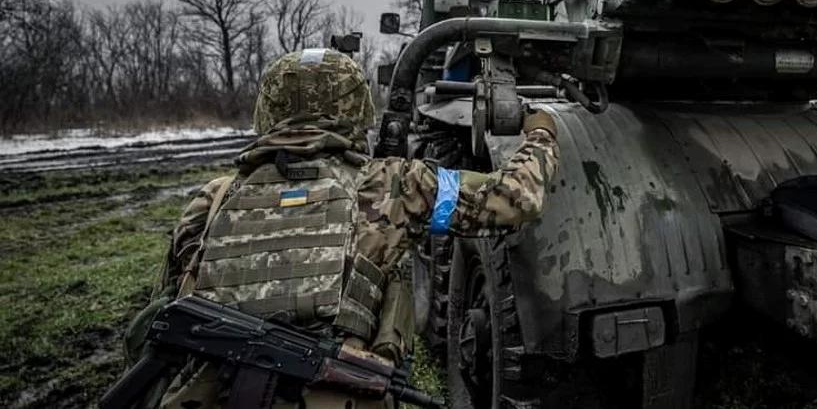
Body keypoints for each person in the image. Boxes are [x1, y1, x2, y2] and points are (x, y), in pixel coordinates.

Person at [124, 47, 559, 408]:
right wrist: (540, 133)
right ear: (356, 110)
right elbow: (515, 198)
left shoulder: (212, 198)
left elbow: (163, 310)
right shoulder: (397, 187)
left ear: (268, 111)